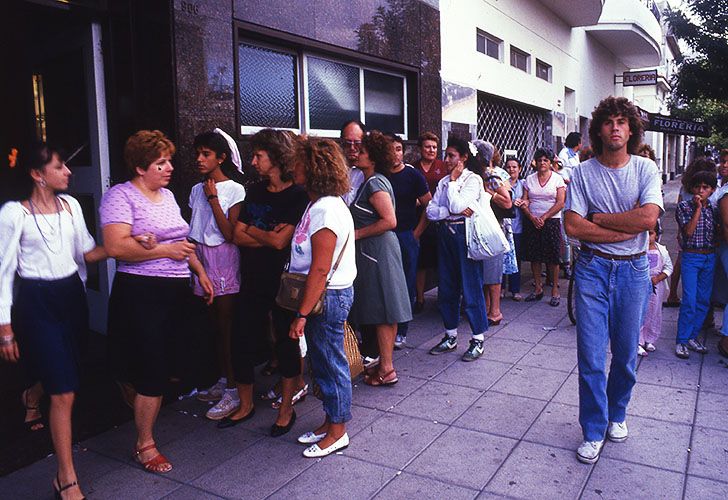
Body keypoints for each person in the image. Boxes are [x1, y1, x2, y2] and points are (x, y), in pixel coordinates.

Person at [101, 130, 214, 475]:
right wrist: (163, 250)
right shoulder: (120, 196)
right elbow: (116, 247)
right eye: (160, 163)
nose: (169, 168)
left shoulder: (165, 196)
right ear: (139, 167)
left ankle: (130, 385)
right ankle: (144, 445)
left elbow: (181, 241)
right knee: (152, 369)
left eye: (168, 161)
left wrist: (199, 271)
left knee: (163, 366)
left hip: (175, 290)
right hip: (140, 292)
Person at [0, 143, 107, 499]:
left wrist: (130, 243)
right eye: (60, 167)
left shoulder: (72, 207)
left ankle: (32, 392)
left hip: (71, 300)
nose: (69, 172)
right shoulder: (14, 214)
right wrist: (5, 327)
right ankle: (66, 477)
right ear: (37, 175)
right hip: (37, 303)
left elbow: (87, 251)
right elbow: (4, 273)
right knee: (64, 392)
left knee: (64, 375)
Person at [564, 96, 662, 465]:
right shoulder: (583, 172)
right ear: (599, 128)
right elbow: (573, 225)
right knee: (590, 356)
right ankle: (592, 429)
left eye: (623, 122)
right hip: (592, 269)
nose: (616, 128)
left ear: (632, 129)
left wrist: (601, 220)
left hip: (634, 272)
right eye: (609, 122)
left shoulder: (645, 169)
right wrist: (623, 227)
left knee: (624, 355)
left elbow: (649, 218)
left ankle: (616, 413)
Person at [222, 129, 309, 432]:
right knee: (241, 338)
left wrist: (257, 234)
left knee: (285, 343)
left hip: (282, 281)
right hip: (252, 278)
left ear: (276, 158)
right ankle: (245, 405)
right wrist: (268, 234)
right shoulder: (255, 190)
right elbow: (236, 234)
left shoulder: (297, 195)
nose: (253, 161)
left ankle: (286, 409)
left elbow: (280, 243)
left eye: (259, 155)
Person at [287, 136, 357, 457]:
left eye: (298, 162)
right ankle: (330, 422)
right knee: (323, 361)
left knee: (331, 362)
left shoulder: (327, 210)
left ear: (313, 168)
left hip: (326, 296)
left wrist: (300, 314)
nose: (293, 167)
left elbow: (319, 269)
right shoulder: (319, 204)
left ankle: (338, 431)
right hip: (324, 294)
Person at [187, 130, 247, 420]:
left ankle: (235, 390)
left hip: (222, 257)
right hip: (200, 258)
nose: (199, 159)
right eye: (197, 153)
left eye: (206, 154)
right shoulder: (195, 189)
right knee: (211, 325)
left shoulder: (234, 190)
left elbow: (230, 234)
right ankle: (224, 381)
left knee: (227, 327)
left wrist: (213, 199)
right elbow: (193, 227)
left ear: (221, 158)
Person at [349, 130, 412, 385]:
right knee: (382, 307)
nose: (356, 153)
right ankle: (384, 366)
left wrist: (356, 234)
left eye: (362, 151)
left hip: (379, 252)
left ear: (373, 158)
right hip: (373, 252)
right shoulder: (370, 180)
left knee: (386, 308)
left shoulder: (375, 183)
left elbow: (390, 220)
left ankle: (387, 369)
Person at [426, 136, 489, 362]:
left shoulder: (472, 180)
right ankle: (450, 335)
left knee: (471, 286)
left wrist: (453, 185)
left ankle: (478, 338)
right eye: (447, 155)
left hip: (465, 235)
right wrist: (449, 212)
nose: (448, 159)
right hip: (445, 234)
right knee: (447, 286)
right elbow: (431, 211)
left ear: (463, 157)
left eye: (452, 155)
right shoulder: (443, 182)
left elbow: (457, 205)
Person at [386, 134, 431, 348]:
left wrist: (416, 233)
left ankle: (402, 330)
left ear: (403, 151)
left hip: (406, 235)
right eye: (390, 149)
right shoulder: (379, 175)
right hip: (384, 236)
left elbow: (429, 207)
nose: (394, 154)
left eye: (397, 149)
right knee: (387, 282)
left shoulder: (413, 175)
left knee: (406, 282)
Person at [674, 170, 717, 359]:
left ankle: (692, 337)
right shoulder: (684, 207)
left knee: (703, 300)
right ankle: (681, 340)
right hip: (691, 257)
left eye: (705, 187)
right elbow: (689, 232)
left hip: (709, 257)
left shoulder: (714, 209)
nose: (701, 190)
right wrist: (698, 209)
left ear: (712, 190)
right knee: (689, 301)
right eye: (697, 187)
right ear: (691, 188)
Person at [664, 158, 717, 307]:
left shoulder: (689, 188)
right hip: (692, 235)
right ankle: (676, 295)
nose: (701, 190)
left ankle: (673, 293)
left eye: (705, 187)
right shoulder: (696, 194)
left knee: (681, 264)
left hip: (698, 240)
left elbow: (679, 201)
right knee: (685, 266)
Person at [472, 140, 513, 325]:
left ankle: (495, 310)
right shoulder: (477, 174)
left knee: (493, 271)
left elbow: (507, 202)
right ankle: (487, 307)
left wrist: (490, 194)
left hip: (493, 227)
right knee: (485, 270)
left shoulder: (490, 175)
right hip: (482, 226)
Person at [521, 148, 566, 306]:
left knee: (553, 256)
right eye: (539, 160)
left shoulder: (557, 179)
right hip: (533, 221)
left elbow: (560, 202)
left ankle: (554, 289)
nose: (542, 163)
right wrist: (530, 214)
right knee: (535, 255)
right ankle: (538, 288)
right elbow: (525, 200)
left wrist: (544, 217)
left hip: (551, 221)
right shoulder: (529, 179)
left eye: (545, 160)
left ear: (550, 162)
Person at [413, 132, 448, 312]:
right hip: (419, 218)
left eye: (434, 147)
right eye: (427, 146)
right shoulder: (413, 168)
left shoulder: (443, 166)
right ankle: (419, 299)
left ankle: (443, 298)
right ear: (420, 148)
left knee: (442, 261)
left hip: (441, 219)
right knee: (421, 262)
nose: (431, 150)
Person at [638, 225, 673, 356]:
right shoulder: (638, 250)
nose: (647, 237)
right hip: (641, 284)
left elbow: (668, 268)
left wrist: (658, 278)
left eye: (650, 233)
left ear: (657, 235)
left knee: (654, 312)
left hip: (656, 286)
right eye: (644, 233)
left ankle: (649, 339)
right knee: (641, 311)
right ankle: (638, 341)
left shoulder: (662, 250)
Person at [503, 157, 525, 301]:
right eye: (509, 167)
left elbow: (529, 198)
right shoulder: (502, 184)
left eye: (514, 167)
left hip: (517, 225)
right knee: (502, 257)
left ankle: (515, 289)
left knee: (515, 258)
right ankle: (501, 288)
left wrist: (523, 201)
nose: (511, 170)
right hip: (503, 225)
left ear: (519, 169)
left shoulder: (523, 184)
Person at [340, 120, 367, 206]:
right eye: (347, 143)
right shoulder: (334, 170)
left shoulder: (369, 172)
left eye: (357, 143)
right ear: (341, 142)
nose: (352, 147)